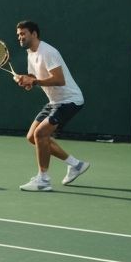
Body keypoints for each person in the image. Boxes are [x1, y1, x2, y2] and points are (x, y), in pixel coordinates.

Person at [13, 20, 89, 192]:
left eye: (23, 33)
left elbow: (59, 80)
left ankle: (43, 179)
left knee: (41, 134)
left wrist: (35, 81)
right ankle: (76, 165)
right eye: (18, 35)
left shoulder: (48, 52)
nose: (20, 37)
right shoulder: (30, 54)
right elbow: (33, 79)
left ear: (34, 34)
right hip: (54, 102)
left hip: (70, 100)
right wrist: (25, 81)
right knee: (32, 137)